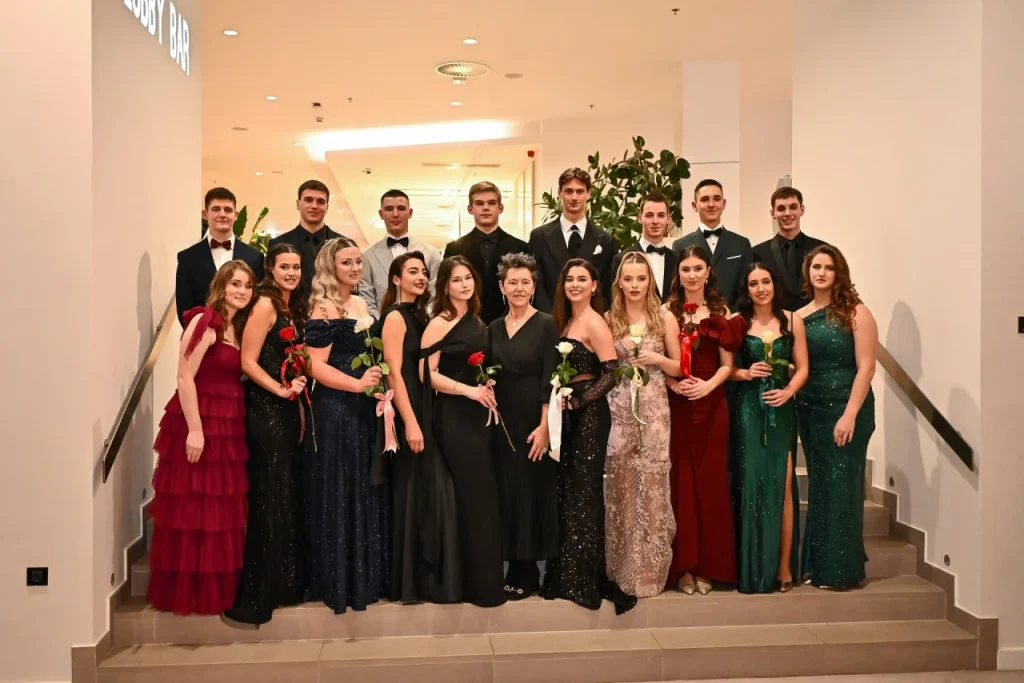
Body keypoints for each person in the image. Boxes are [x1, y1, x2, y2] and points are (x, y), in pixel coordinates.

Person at [148, 261, 256, 615]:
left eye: (248, 286)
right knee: (194, 508)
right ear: (221, 285)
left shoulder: (236, 326)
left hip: (227, 424)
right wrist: (195, 429)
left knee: (218, 509)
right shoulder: (204, 320)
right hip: (199, 420)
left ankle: (216, 588)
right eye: (236, 283)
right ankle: (190, 591)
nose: (242, 291)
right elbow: (184, 376)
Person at [540, 258, 635, 614]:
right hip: (567, 412)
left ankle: (585, 579)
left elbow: (612, 372)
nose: (575, 284)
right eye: (570, 279)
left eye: (583, 279)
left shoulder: (594, 321)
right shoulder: (566, 321)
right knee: (568, 491)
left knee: (585, 494)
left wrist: (580, 400)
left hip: (590, 416)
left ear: (595, 285)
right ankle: (567, 574)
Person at [224, 244, 309, 625]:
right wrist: (279, 389)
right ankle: (259, 594)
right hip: (265, 411)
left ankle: (284, 584)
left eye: (296, 267)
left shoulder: (290, 307)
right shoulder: (264, 304)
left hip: (286, 410)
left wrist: (296, 389)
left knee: (283, 494)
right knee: (269, 497)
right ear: (270, 270)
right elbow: (247, 360)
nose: (291, 272)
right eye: (284, 266)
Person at [303, 237, 389, 613]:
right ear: (330, 267)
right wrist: (357, 384)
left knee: (361, 486)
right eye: (347, 262)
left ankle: (363, 576)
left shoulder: (360, 303)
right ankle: (339, 580)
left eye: (357, 261)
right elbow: (314, 365)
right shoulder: (324, 307)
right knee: (340, 487)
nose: (355, 268)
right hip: (336, 408)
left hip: (363, 408)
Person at [419, 256, 505, 607]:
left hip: (478, 415)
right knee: (475, 495)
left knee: (482, 496)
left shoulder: (477, 319)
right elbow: (426, 374)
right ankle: (475, 585)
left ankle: (482, 581)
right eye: (456, 280)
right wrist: (468, 390)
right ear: (445, 286)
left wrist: (486, 383)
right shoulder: (440, 322)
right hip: (454, 416)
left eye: (468, 277)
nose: (464, 284)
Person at [379, 252, 461, 603]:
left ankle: (430, 579)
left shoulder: (421, 314)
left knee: (430, 493)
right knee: (414, 493)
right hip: (407, 409)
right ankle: (412, 583)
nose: (421, 277)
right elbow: (393, 373)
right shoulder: (395, 316)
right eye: (412, 271)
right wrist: (410, 422)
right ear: (396, 279)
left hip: (426, 408)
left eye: (424, 272)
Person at [664, 244, 746, 594]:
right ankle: (684, 567)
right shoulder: (667, 311)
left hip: (712, 403)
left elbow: (728, 365)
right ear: (678, 273)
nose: (692, 275)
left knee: (711, 483)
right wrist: (676, 386)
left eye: (698, 268)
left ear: (708, 271)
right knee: (681, 483)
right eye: (686, 269)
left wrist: (708, 386)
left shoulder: (721, 310)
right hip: (679, 404)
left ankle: (709, 567)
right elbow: (665, 362)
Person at [797, 244, 877, 589]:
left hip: (848, 407)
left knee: (842, 485)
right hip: (811, 408)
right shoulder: (799, 316)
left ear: (838, 272)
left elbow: (867, 367)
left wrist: (850, 414)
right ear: (808, 272)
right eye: (816, 267)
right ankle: (818, 566)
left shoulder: (856, 312)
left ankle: (841, 570)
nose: (822, 273)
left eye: (828, 268)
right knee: (821, 484)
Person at [604, 252, 681, 598]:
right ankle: (621, 566)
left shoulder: (664, 317)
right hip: (619, 409)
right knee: (621, 484)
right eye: (629, 279)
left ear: (650, 280)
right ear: (619, 282)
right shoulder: (609, 319)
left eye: (641, 278)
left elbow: (679, 367)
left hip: (654, 410)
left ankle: (650, 569)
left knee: (652, 485)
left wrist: (656, 358)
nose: (635, 285)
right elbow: (604, 367)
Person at [730, 263, 809, 593]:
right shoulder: (738, 322)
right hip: (749, 408)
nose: (760, 288)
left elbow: (803, 368)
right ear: (746, 289)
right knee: (752, 483)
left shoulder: (792, 320)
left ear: (775, 285)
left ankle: (784, 567)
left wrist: (788, 391)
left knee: (783, 485)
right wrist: (746, 373)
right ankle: (752, 567)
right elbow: (727, 369)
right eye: (753, 283)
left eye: (765, 281)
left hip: (782, 409)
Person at [488, 253, 559, 600]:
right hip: (501, 420)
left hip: (534, 416)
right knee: (507, 488)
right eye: (512, 282)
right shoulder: (492, 327)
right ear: (502, 287)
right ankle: (513, 562)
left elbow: (550, 378)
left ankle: (527, 568)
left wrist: (545, 427)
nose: (519, 288)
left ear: (534, 287)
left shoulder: (547, 323)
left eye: (525, 282)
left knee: (531, 488)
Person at [530, 168, 618, 311]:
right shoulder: (539, 236)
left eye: (580, 191)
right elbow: (536, 283)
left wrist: (597, 316)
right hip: (550, 316)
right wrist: (548, 318)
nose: (574, 197)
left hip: (591, 317)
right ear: (560, 193)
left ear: (588, 193)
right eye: (569, 191)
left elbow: (608, 286)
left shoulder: (605, 239)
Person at [442, 182, 529, 324]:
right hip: (465, 322)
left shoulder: (520, 247)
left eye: (492, 203)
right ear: (470, 209)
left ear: (500, 208)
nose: (486, 207)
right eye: (479, 203)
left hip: (511, 322)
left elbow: (526, 288)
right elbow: (447, 290)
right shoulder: (454, 249)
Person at [176, 187, 264, 326]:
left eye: (228, 210)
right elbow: (185, 310)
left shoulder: (255, 257)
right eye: (216, 209)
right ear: (205, 214)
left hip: (243, 334)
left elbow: (257, 304)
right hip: (203, 333)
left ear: (236, 215)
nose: (222, 214)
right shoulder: (187, 258)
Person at [359, 189, 442, 319]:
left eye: (401, 208)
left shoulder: (431, 253)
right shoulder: (368, 256)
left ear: (410, 213)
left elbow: (436, 293)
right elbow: (366, 297)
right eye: (389, 209)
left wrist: (423, 320)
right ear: (381, 214)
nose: (395, 214)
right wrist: (381, 323)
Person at [671, 179, 752, 309]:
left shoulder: (742, 244)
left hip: (734, 316)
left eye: (716, 199)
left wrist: (733, 316)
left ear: (723, 204)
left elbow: (747, 287)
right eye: (704, 199)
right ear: (694, 206)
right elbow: (677, 289)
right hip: (693, 316)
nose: (711, 204)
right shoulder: (680, 245)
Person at [751, 187, 827, 311]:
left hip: (815, 317)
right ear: (773, 213)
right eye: (781, 208)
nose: (787, 213)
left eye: (793, 207)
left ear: (802, 210)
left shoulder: (821, 249)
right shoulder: (757, 253)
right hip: (776, 319)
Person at [269, 180, 343, 291]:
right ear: (298, 204)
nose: (314, 206)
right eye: (308, 200)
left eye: (320, 202)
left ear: (327, 207)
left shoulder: (341, 245)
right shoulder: (278, 244)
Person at [610, 192, 677, 303]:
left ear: (668, 219)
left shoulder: (676, 259)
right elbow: (615, 300)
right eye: (649, 215)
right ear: (640, 218)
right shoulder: (621, 259)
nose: (655, 221)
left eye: (661, 215)